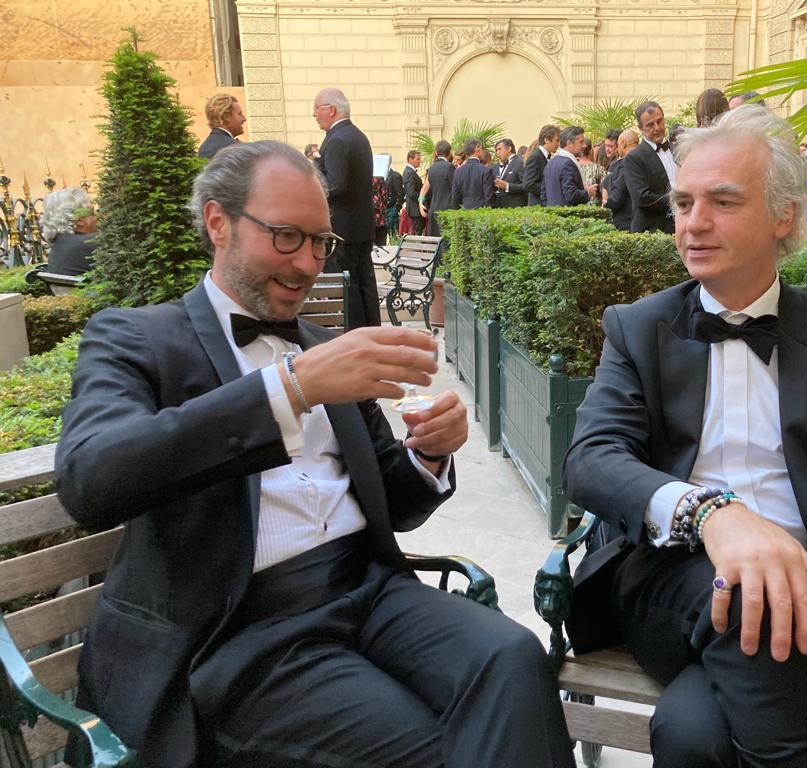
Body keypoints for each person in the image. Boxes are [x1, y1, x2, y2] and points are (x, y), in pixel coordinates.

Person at [55, 140, 576, 768]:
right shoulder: (136, 338)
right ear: (218, 223)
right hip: (243, 629)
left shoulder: (324, 344)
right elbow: (90, 478)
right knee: (433, 748)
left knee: (516, 660)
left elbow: (395, 502)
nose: (307, 263)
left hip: (369, 588)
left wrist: (429, 455)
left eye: (320, 242)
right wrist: (290, 389)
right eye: (286, 237)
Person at [563, 106, 807, 768]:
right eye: (683, 202)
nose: (693, 222)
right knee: (745, 593)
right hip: (669, 582)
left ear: (784, 215)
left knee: (693, 734)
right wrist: (711, 514)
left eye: (723, 201)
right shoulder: (637, 328)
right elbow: (591, 461)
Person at [313, 87, 380, 327]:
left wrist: (314, 182)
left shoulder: (337, 140)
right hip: (361, 226)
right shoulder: (358, 136)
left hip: (341, 229)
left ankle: (355, 336)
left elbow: (336, 185)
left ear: (331, 109)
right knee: (365, 284)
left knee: (346, 287)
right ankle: (372, 332)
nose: (314, 114)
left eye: (316, 108)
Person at [623, 100, 674, 233]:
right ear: (640, 128)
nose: (657, 128)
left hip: (681, 227)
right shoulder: (634, 158)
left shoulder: (676, 150)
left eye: (660, 121)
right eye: (650, 125)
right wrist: (678, 200)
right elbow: (642, 197)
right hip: (652, 232)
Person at [39, 186, 98, 275]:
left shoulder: (60, 245)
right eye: (93, 212)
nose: (98, 216)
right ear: (79, 220)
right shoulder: (91, 243)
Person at [543, 126, 594, 207]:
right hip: (567, 213)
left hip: (553, 212)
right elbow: (571, 195)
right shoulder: (567, 164)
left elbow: (544, 194)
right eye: (581, 142)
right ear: (569, 143)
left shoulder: (551, 162)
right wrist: (588, 192)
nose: (584, 146)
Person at [603, 129, 639, 231]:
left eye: (617, 145)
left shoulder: (624, 164)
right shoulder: (645, 161)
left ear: (623, 144)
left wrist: (606, 206)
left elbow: (617, 196)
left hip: (624, 221)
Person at [422, 140, 457, 235]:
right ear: (450, 152)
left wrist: (420, 202)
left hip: (434, 208)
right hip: (448, 209)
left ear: (436, 152)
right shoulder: (450, 167)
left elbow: (425, 188)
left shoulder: (431, 168)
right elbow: (455, 189)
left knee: (436, 239)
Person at [198, 94, 246, 160]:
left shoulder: (204, 148)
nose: (244, 118)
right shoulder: (236, 148)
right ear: (226, 117)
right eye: (239, 114)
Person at [452, 139, 495, 209]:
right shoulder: (486, 170)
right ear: (477, 149)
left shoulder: (458, 171)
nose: (482, 151)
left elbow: (455, 196)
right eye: (481, 149)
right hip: (481, 211)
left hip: (464, 211)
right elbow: (489, 196)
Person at [523, 125, 560, 206]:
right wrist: (551, 189)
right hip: (538, 205)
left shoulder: (547, 156)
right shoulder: (535, 157)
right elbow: (529, 184)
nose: (558, 144)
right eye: (556, 140)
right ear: (546, 140)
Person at [494, 137, 527, 208]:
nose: (497, 153)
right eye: (496, 150)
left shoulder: (520, 162)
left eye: (500, 149)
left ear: (509, 149)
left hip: (516, 208)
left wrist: (507, 186)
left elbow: (526, 185)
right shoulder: (498, 165)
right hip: (500, 208)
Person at [403, 150, 426, 235]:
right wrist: (422, 198)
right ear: (410, 159)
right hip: (415, 209)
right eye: (417, 159)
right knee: (417, 233)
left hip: (415, 209)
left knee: (417, 232)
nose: (420, 161)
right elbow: (411, 192)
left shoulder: (410, 172)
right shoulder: (409, 172)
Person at [577, 137, 605, 203]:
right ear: (590, 151)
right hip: (593, 206)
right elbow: (604, 189)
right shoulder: (598, 169)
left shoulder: (572, 167)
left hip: (575, 206)